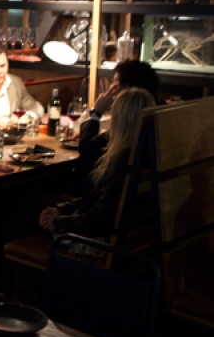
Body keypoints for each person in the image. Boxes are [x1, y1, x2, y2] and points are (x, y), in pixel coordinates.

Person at [38, 88, 155, 238]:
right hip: (136, 238)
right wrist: (62, 210)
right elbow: (98, 203)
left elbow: (100, 219)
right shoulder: (148, 152)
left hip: (100, 243)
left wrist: (58, 222)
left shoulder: (122, 160)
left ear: (119, 120)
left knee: (29, 201)